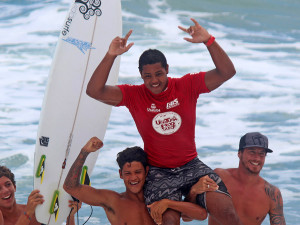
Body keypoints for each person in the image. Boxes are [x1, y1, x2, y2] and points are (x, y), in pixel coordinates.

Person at [86, 17, 241, 225]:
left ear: (167, 68)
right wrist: (110, 55)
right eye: (147, 76)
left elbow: (227, 72)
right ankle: (186, 199)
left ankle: (192, 194)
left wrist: (208, 41)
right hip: (159, 172)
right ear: (141, 75)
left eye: (159, 73)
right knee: (169, 221)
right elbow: (94, 91)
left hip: (191, 166)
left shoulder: (187, 85)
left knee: (228, 215)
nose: (154, 81)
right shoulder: (134, 95)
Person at [63, 137, 212, 225]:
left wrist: (171, 202)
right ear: (120, 174)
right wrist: (84, 152)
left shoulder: (161, 196)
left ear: (146, 171)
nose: (133, 178)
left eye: (137, 172)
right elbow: (70, 187)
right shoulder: (113, 201)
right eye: (128, 173)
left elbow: (200, 215)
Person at [206, 132, 286, 225]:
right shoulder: (220, 177)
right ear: (239, 153)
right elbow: (193, 210)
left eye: (261, 154)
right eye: (252, 152)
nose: (257, 158)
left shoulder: (272, 194)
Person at [0, 166, 81, 225]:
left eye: (8, 184)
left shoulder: (37, 212)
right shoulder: (29, 211)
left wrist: (70, 215)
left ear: (14, 187)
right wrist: (28, 213)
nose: (5, 190)